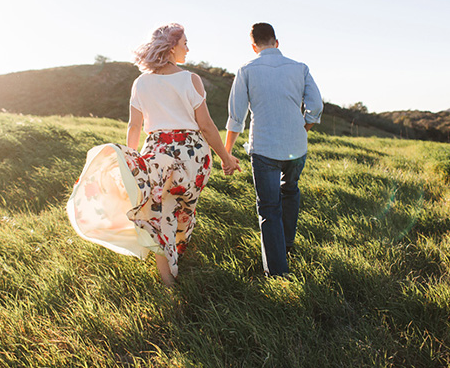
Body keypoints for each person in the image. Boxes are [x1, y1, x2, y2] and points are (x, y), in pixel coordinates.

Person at [67, 23, 239, 287]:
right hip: (191, 157)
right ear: (172, 47)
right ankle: (173, 264)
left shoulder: (141, 83)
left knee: (161, 210)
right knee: (179, 209)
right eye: (184, 43)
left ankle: (168, 269)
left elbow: (134, 126)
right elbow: (205, 125)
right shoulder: (189, 79)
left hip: (155, 156)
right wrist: (226, 158)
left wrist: (133, 164)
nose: (188, 48)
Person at [224, 22, 323, 277]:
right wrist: (305, 127)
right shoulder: (300, 68)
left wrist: (227, 153)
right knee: (290, 191)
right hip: (297, 146)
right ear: (277, 42)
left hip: (265, 148)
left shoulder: (247, 69)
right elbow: (316, 105)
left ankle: (278, 273)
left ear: (253, 46)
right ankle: (286, 244)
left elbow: (237, 117)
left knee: (269, 208)